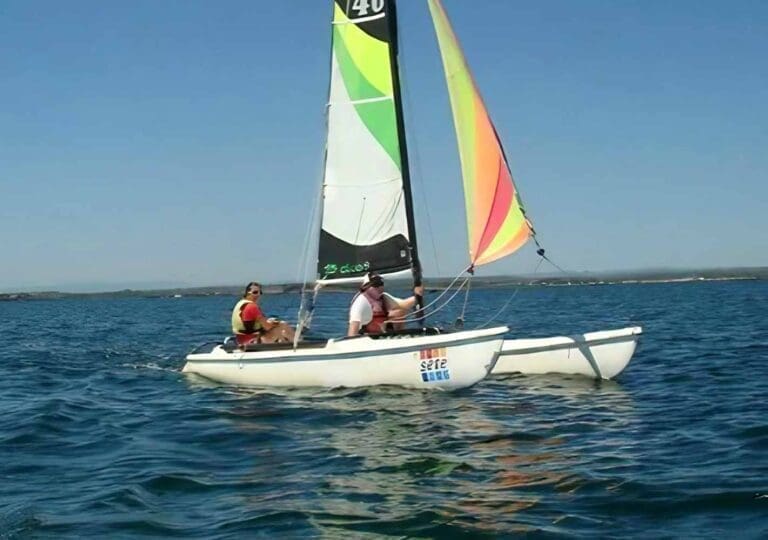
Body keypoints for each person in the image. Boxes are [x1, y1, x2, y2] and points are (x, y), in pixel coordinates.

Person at [347, 273, 425, 336]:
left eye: (381, 284)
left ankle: (400, 336)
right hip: (367, 339)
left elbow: (404, 304)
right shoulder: (361, 302)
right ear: (366, 287)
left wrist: (418, 295)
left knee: (399, 311)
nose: (380, 287)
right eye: (376, 284)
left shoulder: (384, 297)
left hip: (382, 336)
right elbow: (353, 327)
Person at [231, 282, 295, 346]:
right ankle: (297, 343)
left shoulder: (240, 303)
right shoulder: (252, 307)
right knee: (282, 325)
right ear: (248, 293)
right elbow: (267, 327)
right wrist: (274, 323)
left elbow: (253, 324)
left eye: (260, 292)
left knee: (277, 330)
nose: (258, 295)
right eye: (255, 292)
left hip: (241, 341)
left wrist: (269, 322)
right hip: (253, 342)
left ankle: (285, 343)